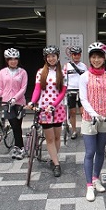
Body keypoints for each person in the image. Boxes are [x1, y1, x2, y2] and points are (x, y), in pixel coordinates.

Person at [79, 42, 106, 202]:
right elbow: (83, 99)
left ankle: (96, 178)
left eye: (99, 57)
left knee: (100, 151)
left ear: (104, 58)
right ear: (90, 58)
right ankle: (89, 185)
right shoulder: (84, 77)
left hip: (104, 119)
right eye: (93, 57)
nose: (96, 60)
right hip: (89, 119)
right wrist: (94, 114)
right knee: (90, 152)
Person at [28, 45, 66, 177]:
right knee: (49, 138)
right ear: (45, 58)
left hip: (58, 109)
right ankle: (56, 164)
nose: (51, 58)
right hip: (44, 109)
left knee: (56, 137)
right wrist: (33, 101)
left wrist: (54, 105)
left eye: (53, 56)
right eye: (48, 56)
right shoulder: (40, 72)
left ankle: (53, 158)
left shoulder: (62, 73)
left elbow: (63, 92)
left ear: (57, 57)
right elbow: (37, 89)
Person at [0, 48, 28, 159]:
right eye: (10, 59)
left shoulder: (22, 72)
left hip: (19, 103)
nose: (13, 61)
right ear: (6, 60)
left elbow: (23, 88)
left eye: (15, 59)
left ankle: (19, 148)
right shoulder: (2, 72)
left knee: (18, 125)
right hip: (6, 103)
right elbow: (0, 88)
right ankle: (20, 147)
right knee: (14, 125)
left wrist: (15, 98)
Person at [63, 46, 88, 139]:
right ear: (71, 55)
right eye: (74, 54)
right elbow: (64, 79)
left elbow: (87, 79)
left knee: (83, 112)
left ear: (80, 55)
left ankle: (84, 129)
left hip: (81, 91)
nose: (76, 56)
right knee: (72, 112)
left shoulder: (84, 66)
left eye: (78, 54)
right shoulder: (67, 66)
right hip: (70, 91)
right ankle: (74, 130)